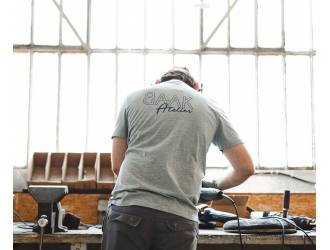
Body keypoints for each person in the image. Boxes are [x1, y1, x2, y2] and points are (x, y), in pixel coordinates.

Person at [102, 67, 254, 250]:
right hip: (179, 219)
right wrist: (211, 187)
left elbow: (117, 165)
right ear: (197, 87)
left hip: (128, 212)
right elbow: (245, 168)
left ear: (157, 83)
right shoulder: (211, 106)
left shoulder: (133, 98)